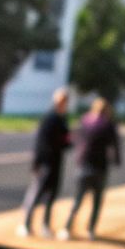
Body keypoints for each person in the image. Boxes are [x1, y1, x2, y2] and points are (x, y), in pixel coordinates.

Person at [63, 96, 122, 241]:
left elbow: (74, 137)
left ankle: (67, 227)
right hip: (99, 167)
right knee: (96, 201)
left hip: (83, 164)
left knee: (78, 199)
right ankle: (90, 229)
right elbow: (115, 145)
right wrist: (116, 160)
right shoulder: (108, 125)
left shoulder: (84, 120)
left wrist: (79, 153)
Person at [18, 88, 71, 237]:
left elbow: (66, 140)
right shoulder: (50, 118)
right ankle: (26, 224)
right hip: (45, 163)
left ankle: (45, 226)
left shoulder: (62, 118)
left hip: (56, 163)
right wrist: (37, 163)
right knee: (36, 194)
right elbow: (41, 142)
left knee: (51, 196)